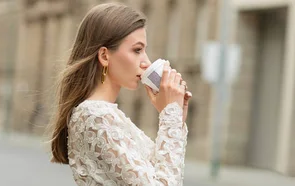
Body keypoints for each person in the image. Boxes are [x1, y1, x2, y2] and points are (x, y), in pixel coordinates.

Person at [48, 3, 192, 186]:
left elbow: (159, 173)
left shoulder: (103, 115)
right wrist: (169, 115)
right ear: (105, 56)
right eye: (137, 50)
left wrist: (176, 118)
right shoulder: (95, 116)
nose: (146, 62)